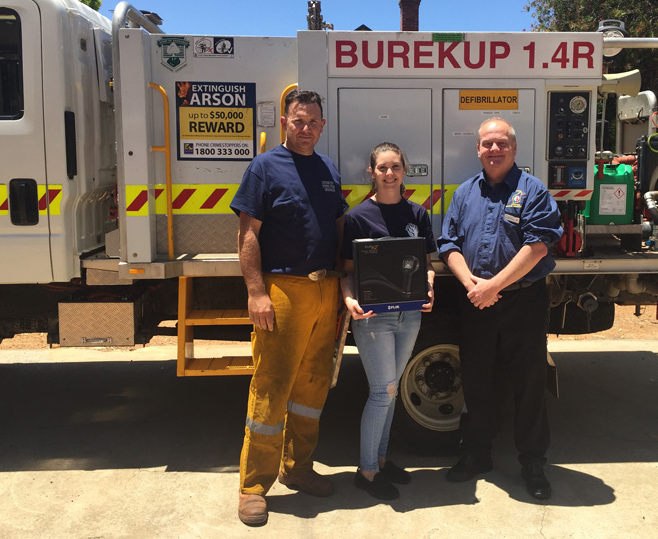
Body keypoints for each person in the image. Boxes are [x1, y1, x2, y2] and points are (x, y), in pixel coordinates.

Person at [230, 90, 349, 526]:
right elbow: (248, 233)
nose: (306, 128)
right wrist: (256, 292)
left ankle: (297, 469)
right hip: (283, 290)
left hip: (325, 289)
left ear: (322, 124)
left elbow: (338, 222)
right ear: (285, 121)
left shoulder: (327, 168)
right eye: (298, 121)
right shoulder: (264, 167)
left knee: (313, 386)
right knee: (272, 385)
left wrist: (343, 277)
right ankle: (252, 487)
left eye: (313, 121)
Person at [437, 117, 563, 500]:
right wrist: (472, 284)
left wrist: (494, 285)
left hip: (522, 302)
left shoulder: (534, 191)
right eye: (487, 144)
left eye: (501, 143)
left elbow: (537, 246)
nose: (494, 149)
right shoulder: (463, 194)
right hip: (475, 300)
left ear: (513, 148)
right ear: (477, 149)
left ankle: (532, 462)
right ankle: (477, 454)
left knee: (528, 383)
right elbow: (448, 244)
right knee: (476, 380)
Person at [340, 142, 435, 500]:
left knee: (392, 392)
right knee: (383, 392)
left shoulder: (417, 215)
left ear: (404, 170)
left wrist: (429, 288)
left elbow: (426, 266)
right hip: (373, 319)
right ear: (372, 172)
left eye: (395, 166)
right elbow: (347, 273)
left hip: (409, 315)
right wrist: (349, 299)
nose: (389, 173)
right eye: (382, 168)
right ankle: (366, 472)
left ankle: (380, 460)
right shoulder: (358, 217)